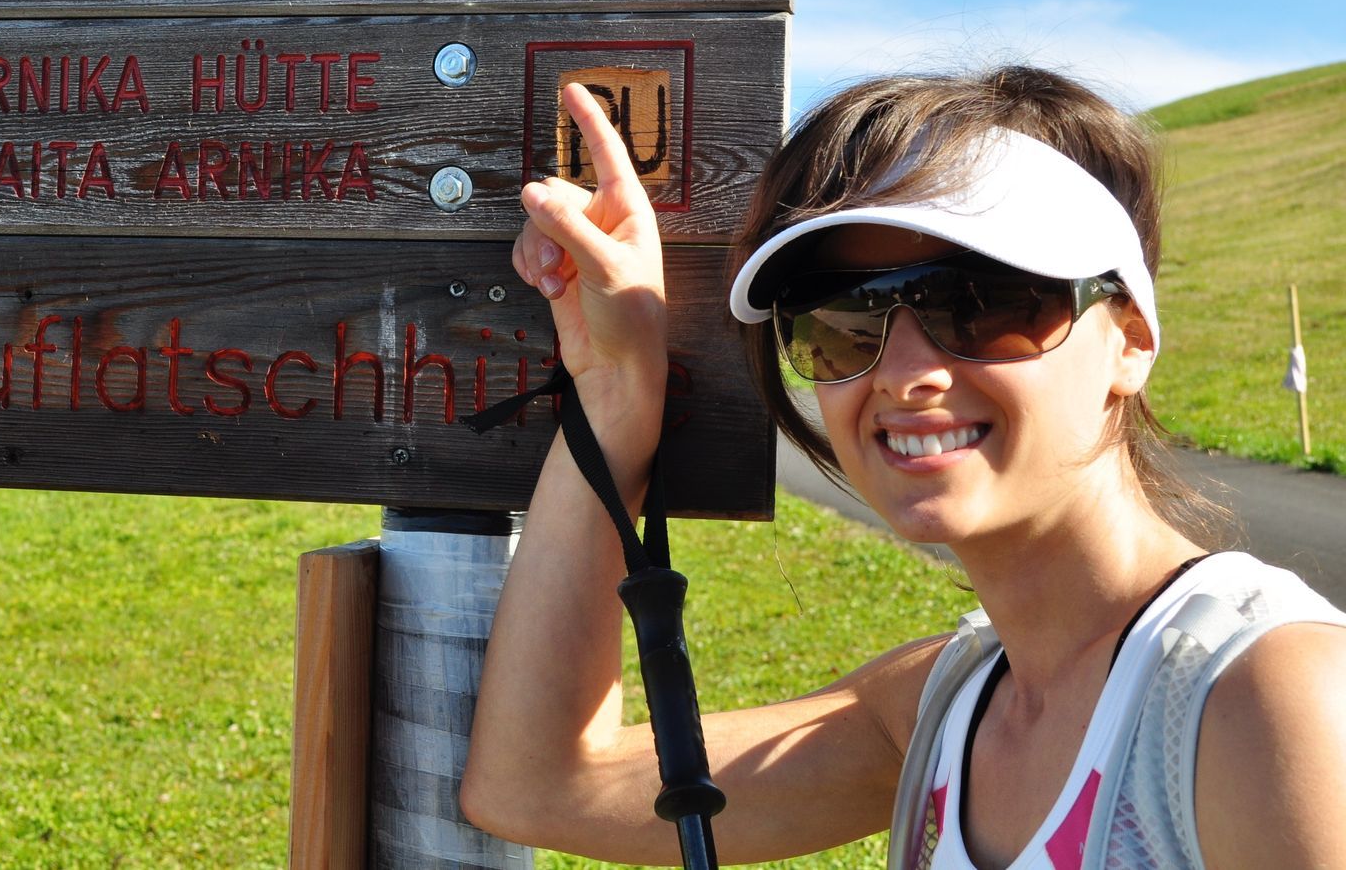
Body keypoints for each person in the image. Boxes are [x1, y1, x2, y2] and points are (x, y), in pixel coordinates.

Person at [460, 67, 1346, 868]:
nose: (903, 372)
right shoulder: (943, 705)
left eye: (982, 301)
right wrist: (618, 390)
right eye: (842, 319)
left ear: (1131, 341)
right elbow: (539, 783)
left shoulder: (1262, 699)